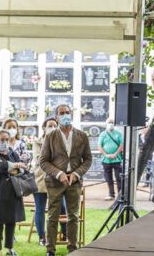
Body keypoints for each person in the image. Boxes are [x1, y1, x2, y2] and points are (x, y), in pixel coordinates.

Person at [40, 104, 92, 256]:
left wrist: (76, 174)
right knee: (52, 216)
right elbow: (43, 161)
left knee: (73, 217)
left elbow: (88, 159)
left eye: (67, 112)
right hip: (55, 182)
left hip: (74, 182)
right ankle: (50, 250)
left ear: (72, 114)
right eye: (61, 113)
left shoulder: (81, 136)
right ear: (56, 117)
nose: (65, 115)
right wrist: (58, 174)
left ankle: (73, 248)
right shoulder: (50, 136)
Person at [0, 128, 26, 256]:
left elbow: (23, 170)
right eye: (2, 140)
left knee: (11, 222)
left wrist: (13, 166)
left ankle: (10, 250)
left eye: (7, 139)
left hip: (12, 192)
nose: (4, 142)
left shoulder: (12, 152)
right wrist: (16, 165)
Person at [32, 118, 67, 246]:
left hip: (57, 180)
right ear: (44, 127)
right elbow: (40, 159)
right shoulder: (37, 142)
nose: (52, 127)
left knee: (62, 207)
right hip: (41, 180)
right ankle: (42, 237)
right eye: (50, 125)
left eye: (54, 125)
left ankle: (65, 234)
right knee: (40, 209)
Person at [98, 118, 123, 200]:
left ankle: (120, 195)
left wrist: (115, 153)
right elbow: (100, 146)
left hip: (117, 159)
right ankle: (111, 194)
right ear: (106, 124)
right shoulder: (103, 134)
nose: (111, 124)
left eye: (112, 123)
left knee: (119, 178)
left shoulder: (118, 134)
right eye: (109, 122)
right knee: (109, 178)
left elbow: (121, 145)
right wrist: (106, 155)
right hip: (106, 160)